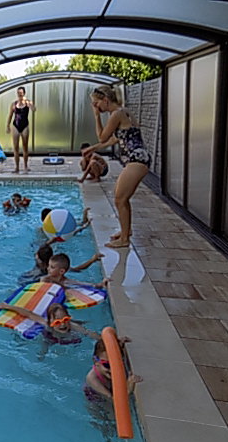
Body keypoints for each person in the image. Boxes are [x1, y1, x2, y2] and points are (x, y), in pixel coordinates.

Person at [86, 85, 151, 248]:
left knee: (120, 199)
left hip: (136, 159)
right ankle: (126, 231)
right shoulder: (124, 112)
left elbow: (102, 137)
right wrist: (92, 148)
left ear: (105, 100)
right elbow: (115, 139)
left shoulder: (116, 114)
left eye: (96, 103)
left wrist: (96, 117)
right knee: (121, 197)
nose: (96, 107)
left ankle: (124, 240)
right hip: (139, 158)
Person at [0, 302, 100, 346]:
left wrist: (103, 339)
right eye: (57, 322)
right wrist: (8, 307)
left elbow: (89, 333)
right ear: (50, 322)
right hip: (51, 339)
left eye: (65, 320)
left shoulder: (73, 326)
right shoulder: (46, 324)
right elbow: (29, 314)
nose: (62, 325)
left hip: (72, 341)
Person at [19, 244, 104, 285]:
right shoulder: (52, 269)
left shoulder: (56, 267)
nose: (49, 268)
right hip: (28, 281)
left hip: (26, 279)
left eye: (51, 267)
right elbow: (77, 269)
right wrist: (92, 260)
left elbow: (80, 283)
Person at [6, 86, 36, 173]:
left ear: (24, 93)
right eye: (18, 93)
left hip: (25, 126)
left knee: (25, 147)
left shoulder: (27, 102)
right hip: (15, 126)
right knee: (15, 148)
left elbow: (34, 109)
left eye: (21, 93)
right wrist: (7, 125)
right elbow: (10, 115)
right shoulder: (14, 104)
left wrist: (30, 104)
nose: (19, 94)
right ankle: (17, 168)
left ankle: (25, 167)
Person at [42, 253, 108, 289]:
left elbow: (83, 284)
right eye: (48, 266)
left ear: (61, 271)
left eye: (52, 267)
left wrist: (100, 284)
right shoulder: (45, 279)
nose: (48, 269)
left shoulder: (67, 282)